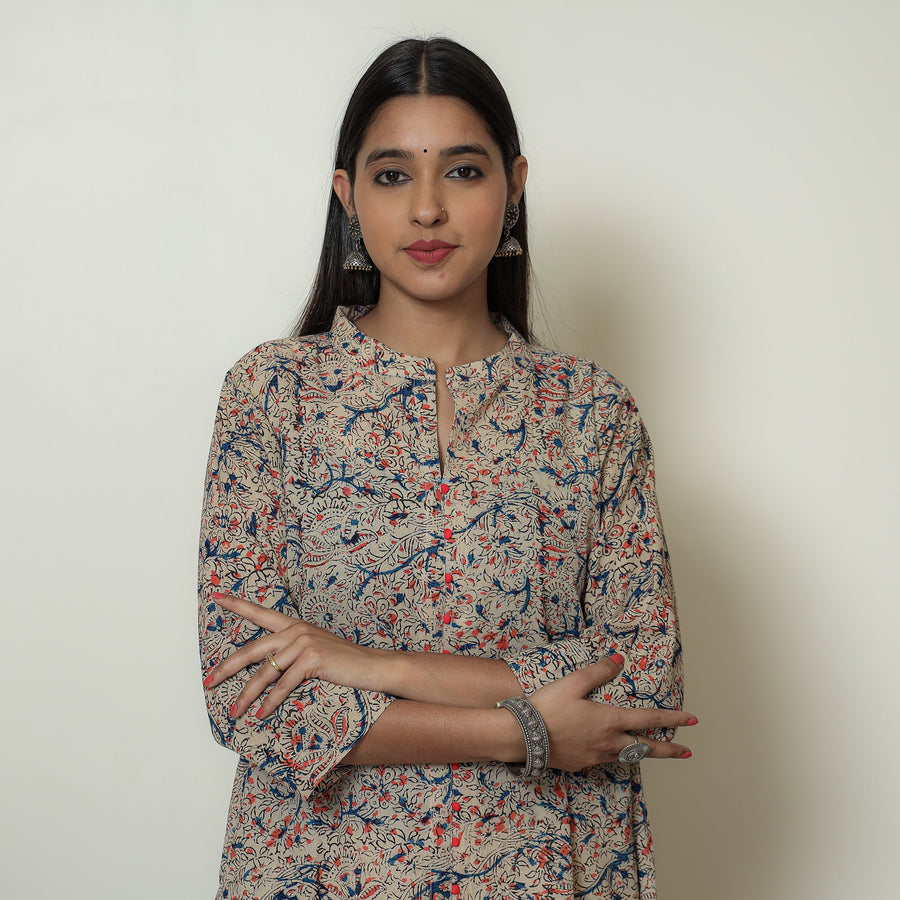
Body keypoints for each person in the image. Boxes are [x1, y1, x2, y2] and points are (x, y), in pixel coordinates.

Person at [198, 37, 694, 900]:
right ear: (348, 196)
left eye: (462, 171)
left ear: (514, 186)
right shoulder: (273, 395)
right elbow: (248, 694)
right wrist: (526, 731)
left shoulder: (590, 412)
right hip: (321, 870)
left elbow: (640, 687)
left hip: (552, 868)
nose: (428, 208)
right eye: (393, 175)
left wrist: (367, 664)